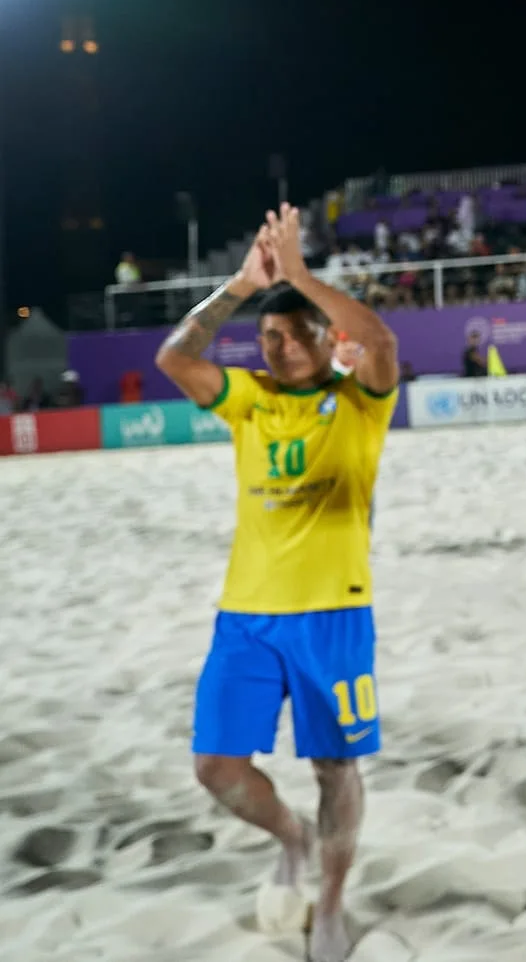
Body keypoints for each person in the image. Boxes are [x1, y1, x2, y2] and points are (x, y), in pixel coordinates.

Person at [154, 207, 399, 962]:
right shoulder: (248, 397)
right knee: (215, 765)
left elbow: (384, 344)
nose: (284, 347)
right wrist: (240, 285)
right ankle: (291, 838)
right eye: (270, 336)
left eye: (299, 334)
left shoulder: (361, 401)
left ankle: (329, 904)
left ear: (331, 340)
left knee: (336, 767)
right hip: (247, 618)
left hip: (333, 617)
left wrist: (298, 279)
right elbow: (174, 357)